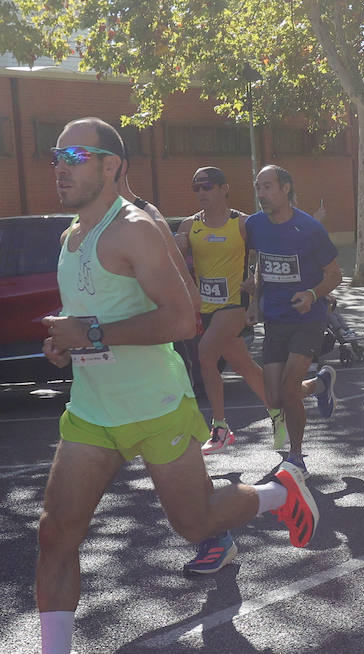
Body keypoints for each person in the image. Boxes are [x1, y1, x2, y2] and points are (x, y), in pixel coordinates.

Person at [38, 118, 319, 654]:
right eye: (56, 155)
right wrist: (66, 341)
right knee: (55, 534)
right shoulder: (70, 236)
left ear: (111, 165)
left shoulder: (135, 229)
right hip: (92, 411)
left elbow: (182, 318)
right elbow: (89, 319)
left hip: (156, 406)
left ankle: (281, 492)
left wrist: (91, 332)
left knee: (195, 523)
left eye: (74, 156)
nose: (60, 167)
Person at [244, 165, 341, 475]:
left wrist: (313, 294)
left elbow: (335, 274)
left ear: (286, 188)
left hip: (308, 318)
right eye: (258, 187)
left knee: (288, 390)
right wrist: (253, 302)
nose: (261, 194)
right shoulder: (256, 225)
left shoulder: (310, 228)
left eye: (268, 187)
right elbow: (259, 264)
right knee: (274, 397)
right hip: (274, 319)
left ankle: (296, 455)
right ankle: (321, 383)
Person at [172, 167, 274, 453]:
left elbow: (263, 258)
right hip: (206, 308)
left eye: (207, 187)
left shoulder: (242, 223)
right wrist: (177, 247)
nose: (201, 193)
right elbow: (176, 264)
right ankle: (281, 409)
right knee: (244, 367)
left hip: (235, 304)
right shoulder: (188, 226)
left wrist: (254, 289)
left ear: (224, 188)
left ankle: (220, 428)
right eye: (197, 188)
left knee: (205, 355)